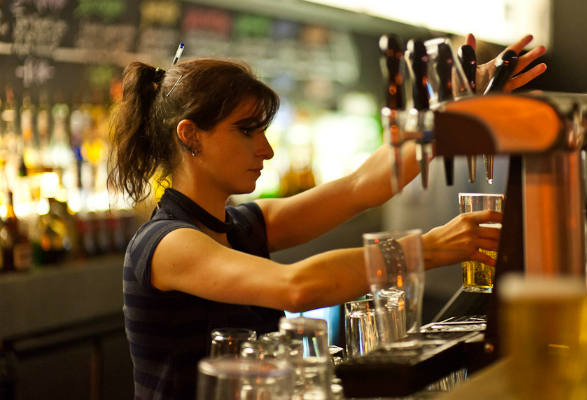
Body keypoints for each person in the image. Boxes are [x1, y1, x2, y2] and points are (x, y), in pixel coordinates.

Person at [108, 33, 546, 399]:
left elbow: (363, 186)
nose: (266, 150)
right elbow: (296, 288)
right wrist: (428, 248)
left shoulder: (240, 225)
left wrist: (452, 111)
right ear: (191, 136)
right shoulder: (166, 244)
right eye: (247, 131)